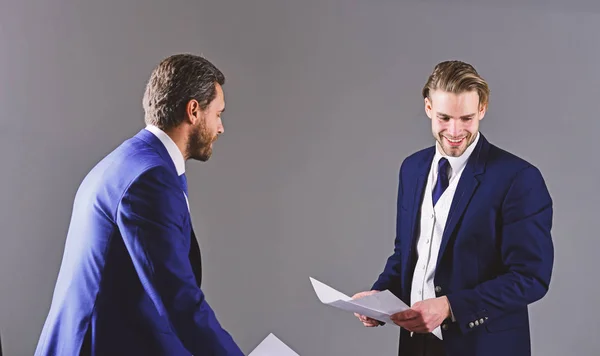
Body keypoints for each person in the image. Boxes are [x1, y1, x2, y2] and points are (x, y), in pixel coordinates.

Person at [35, 54, 243, 355]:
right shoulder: (150, 180)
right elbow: (179, 301)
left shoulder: (128, 161)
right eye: (219, 114)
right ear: (194, 111)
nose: (221, 128)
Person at [352, 60, 554, 356]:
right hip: (415, 346)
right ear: (428, 108)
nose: (455, 131)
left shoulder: (518, 178)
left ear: (482, 109)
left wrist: (450, 307)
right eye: (444, 117)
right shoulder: (412, 168)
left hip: (483, 346)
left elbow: (530, 277)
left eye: (467, 118)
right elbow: (408, 252)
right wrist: (379, 296)